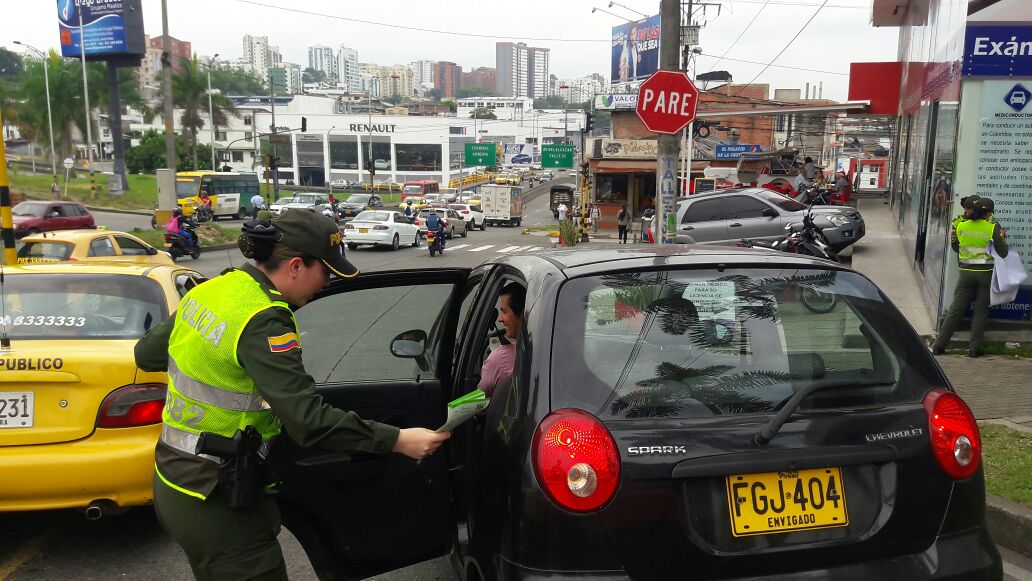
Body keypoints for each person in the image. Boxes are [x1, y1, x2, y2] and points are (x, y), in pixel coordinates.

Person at [135, 209, 450, 580]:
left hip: (173, 481)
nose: (329, 282)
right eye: (327, 271)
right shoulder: (265, 319)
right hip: (216, 498)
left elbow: (148, 353)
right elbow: (307, 421)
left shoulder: (215, 289)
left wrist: (227, 370)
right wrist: (397, 439)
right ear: (297, 266)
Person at [933, 198, 1009, 358]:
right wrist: (1002, 237)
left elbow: (956, 247)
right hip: (985, 274)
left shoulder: (961, 225)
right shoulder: (992, 227)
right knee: (981, 311)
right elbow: (1003, 253)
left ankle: (939, 346)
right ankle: (974, 349)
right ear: (987, 213)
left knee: (955, 310)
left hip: (966, 273)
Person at [479, 283, 525, 397]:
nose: (500, 319)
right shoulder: (553, 352)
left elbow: (479, 401)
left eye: (504, 312)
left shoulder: (499, 359)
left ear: (524, 313)